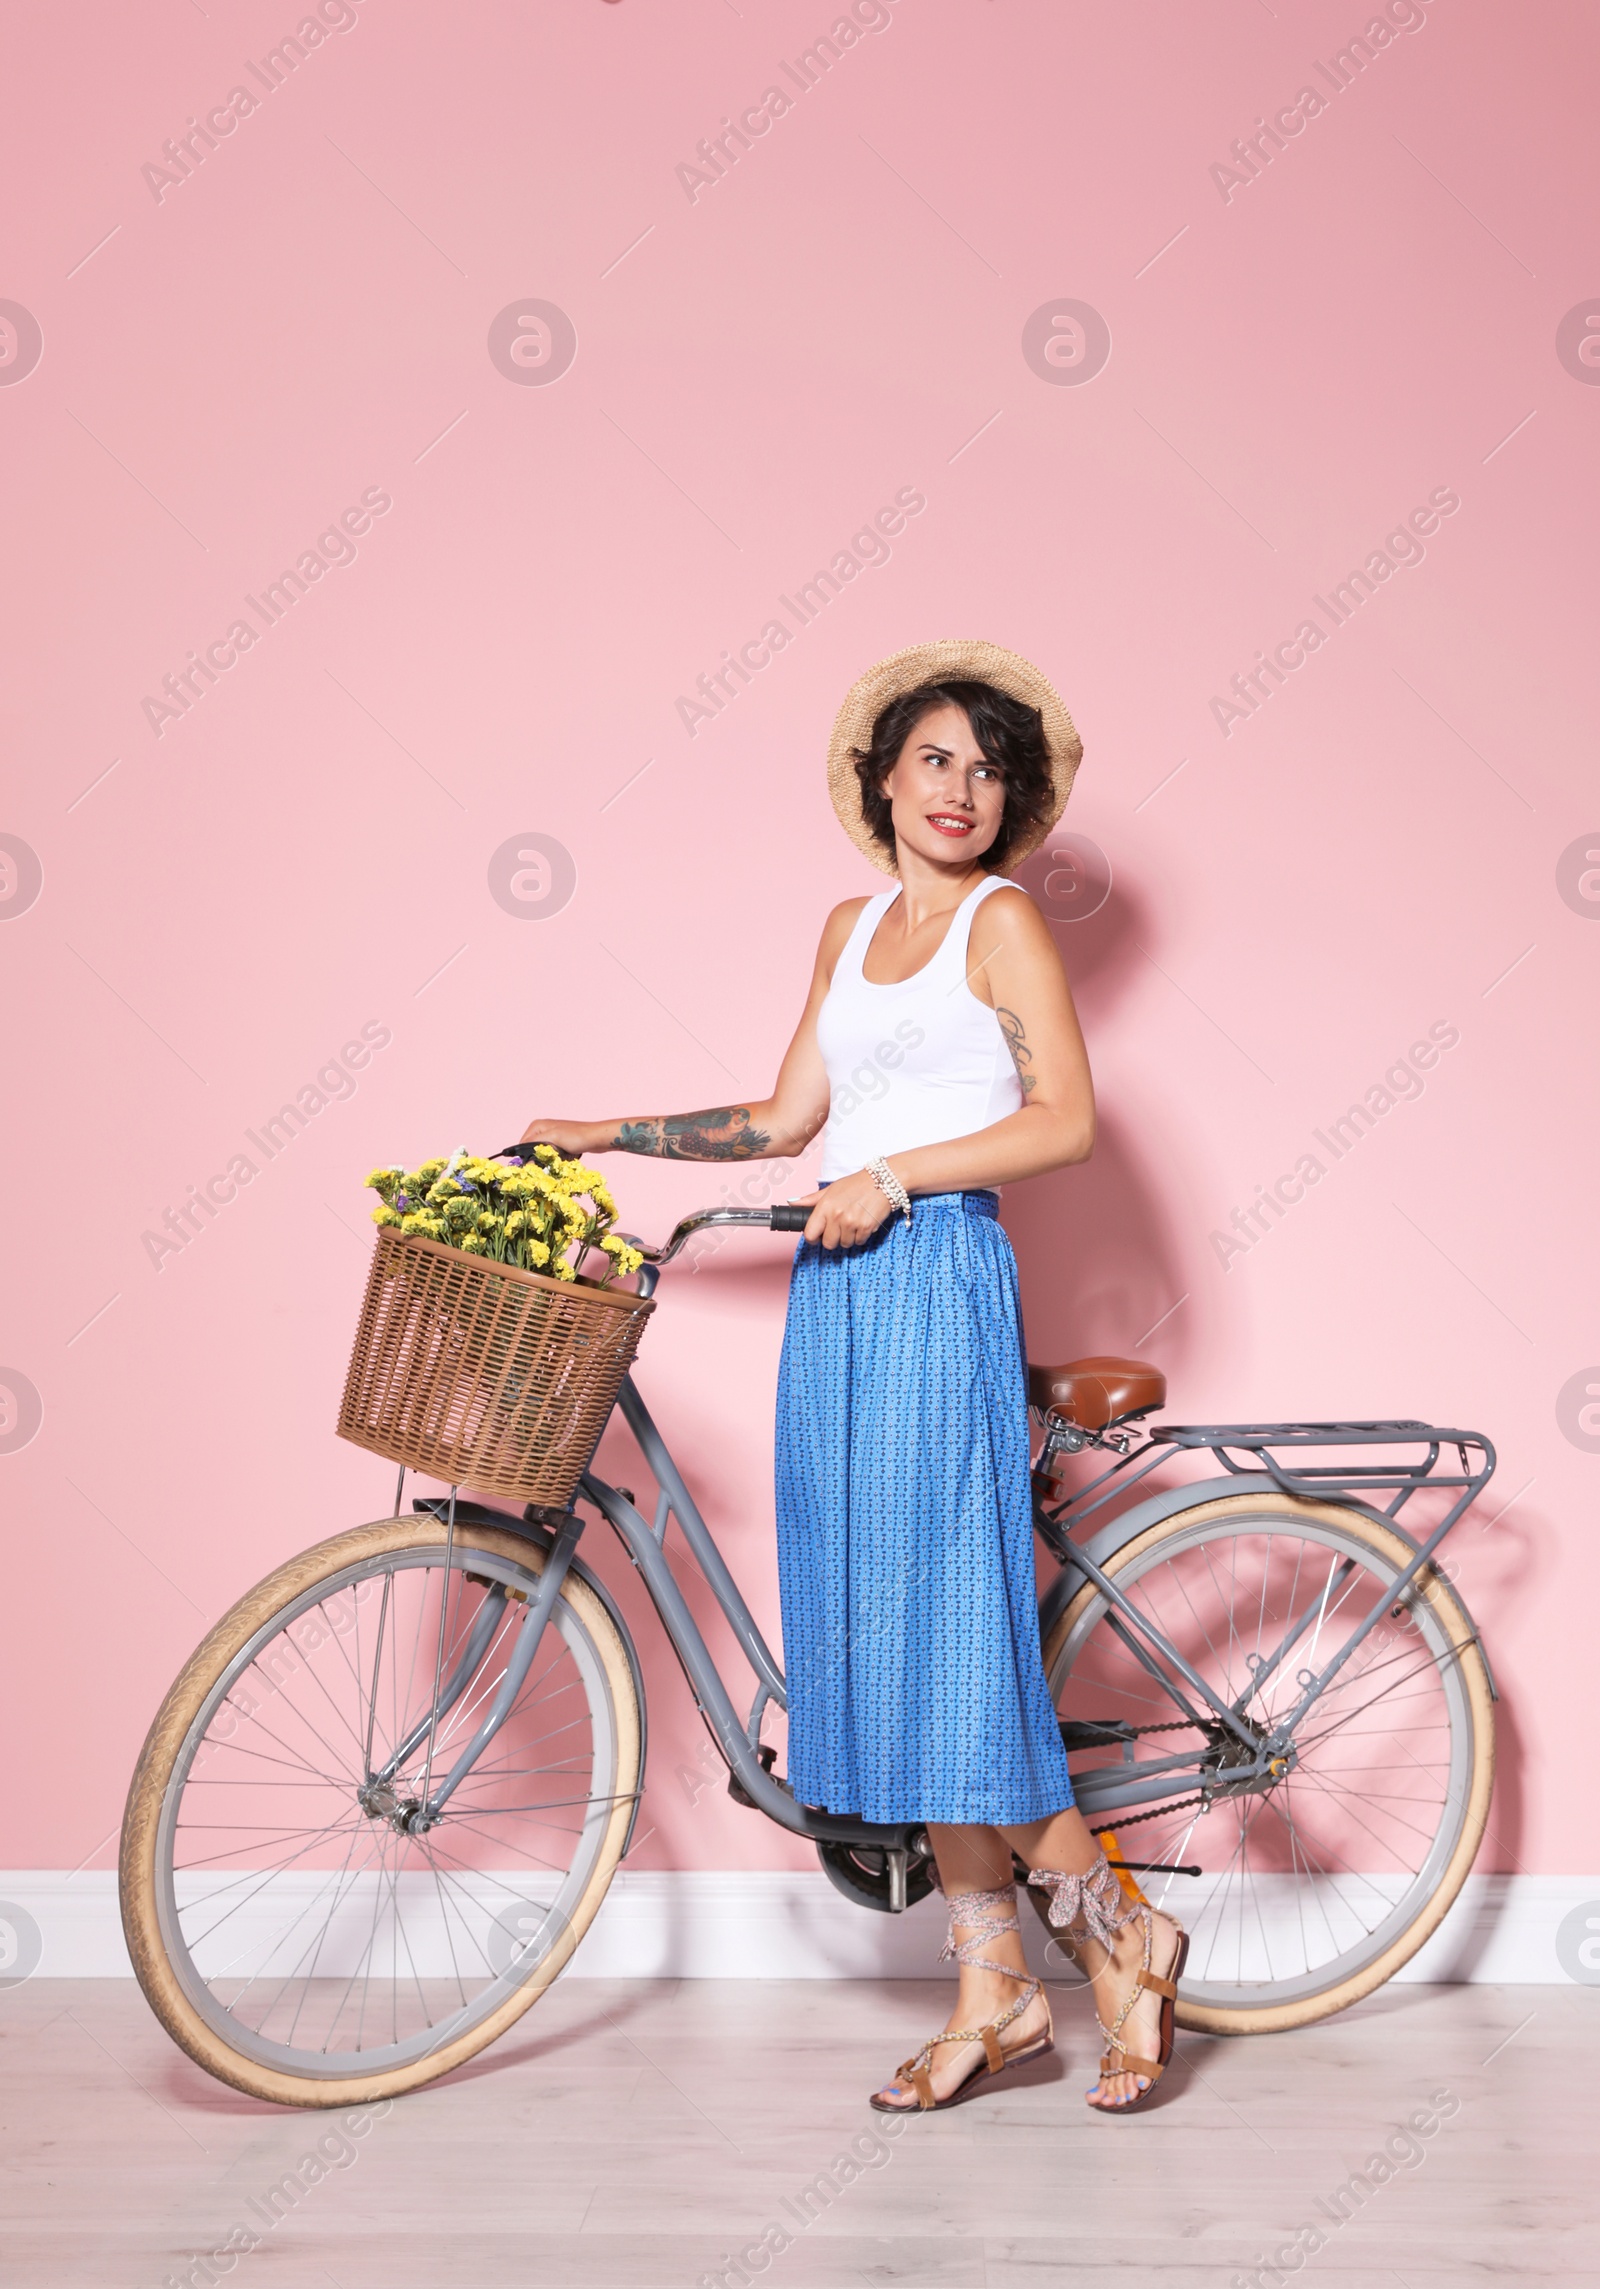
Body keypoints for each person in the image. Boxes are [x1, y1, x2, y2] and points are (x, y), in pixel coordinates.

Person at [521, 639, 1186, 2114]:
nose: (962, 786)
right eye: (937, 757)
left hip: (937, 1268)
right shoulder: (849, 925)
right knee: (882, 1645)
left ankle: (1125, 1932)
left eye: (988, 766)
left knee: (953, 1644)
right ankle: (995, 1990)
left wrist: (891, 1174)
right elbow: (780, 1117)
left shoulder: (1005, 924)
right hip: (838, 1299)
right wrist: (611, 1131)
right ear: (881, 776)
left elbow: (1063, 1119)